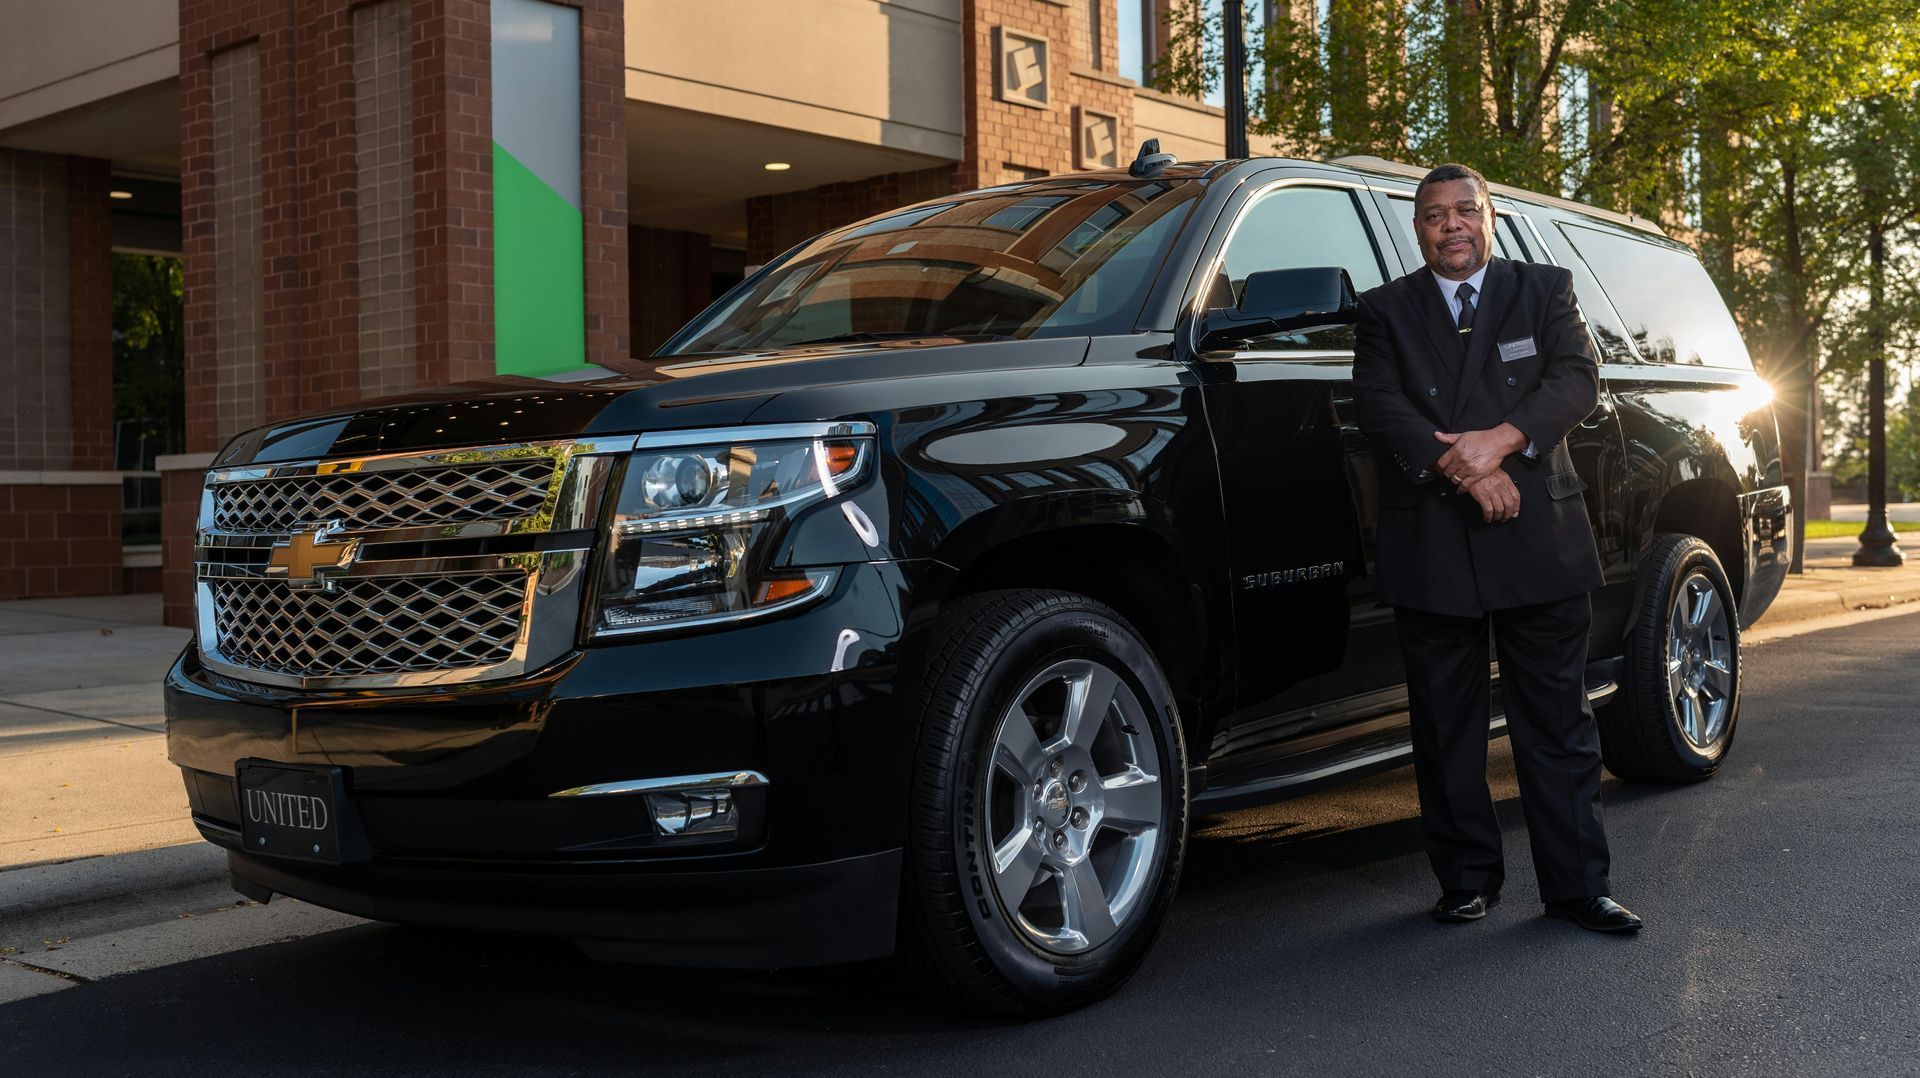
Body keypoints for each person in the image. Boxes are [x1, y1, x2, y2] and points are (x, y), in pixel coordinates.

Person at [1351, 162, 1643, 933]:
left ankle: (1580, 888)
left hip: (1538, 539)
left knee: (1557, 723)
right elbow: (1380, 406)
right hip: (1434, 545)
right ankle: (1466, 881)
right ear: (1417, 230)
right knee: (1445, 730)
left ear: (1490, 218)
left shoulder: (1543, 289)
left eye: (1464, 211)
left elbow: (1576, 379)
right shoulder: (1384, 311)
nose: (1451, 225)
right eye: (1434, 215)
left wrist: (1502, 443)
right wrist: (1464, 468)